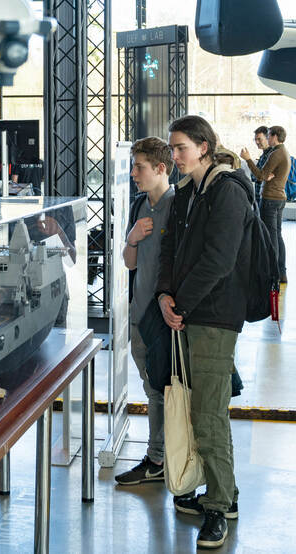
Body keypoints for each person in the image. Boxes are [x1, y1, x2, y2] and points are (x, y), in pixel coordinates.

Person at [156, 115, 253, 549]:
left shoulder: (227, 191)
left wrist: (181, 302)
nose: (175, 155)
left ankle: (219, 505)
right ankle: (223, 492)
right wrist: (164, 294)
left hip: (214, 316)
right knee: (200, 410)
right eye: (172, 148)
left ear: (204, 147)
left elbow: (220, 259)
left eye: (181, 148)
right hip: (188, 312)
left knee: (209, 413)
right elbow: (170, 249)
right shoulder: (186, 193)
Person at [115, 137, 174, 487]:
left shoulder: (178, 206)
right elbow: (129, 262)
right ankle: (159, 457)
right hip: (140, 314)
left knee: (163, 390)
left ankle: (160, 457)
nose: (134, 174)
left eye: (139, 167)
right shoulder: (139, 205)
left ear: (160, 168)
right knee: (152, 389)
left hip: (164, 319)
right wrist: (133, 238)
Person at [242, 125, 290, 283]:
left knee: (270, 237)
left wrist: (248, 159)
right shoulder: (284, 152)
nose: (267, 139)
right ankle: (281, 272)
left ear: (275, 136)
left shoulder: (276, 153)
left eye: (268, 136)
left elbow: (260, 176)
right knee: (277, 235)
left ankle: (272, 274)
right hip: (279, 198)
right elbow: (265, 175)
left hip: (270, 198)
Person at [245, 126, 273, 204]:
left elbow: (258, 177)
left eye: (259, 139)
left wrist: (248, 159)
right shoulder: (264, 155)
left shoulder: (270, 156)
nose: (257, 142)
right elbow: (254, 177)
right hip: (261, 198)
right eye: (255, 139)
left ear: (268, 138)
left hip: (266, 199)